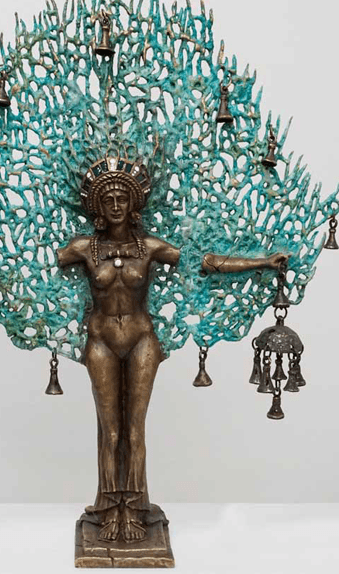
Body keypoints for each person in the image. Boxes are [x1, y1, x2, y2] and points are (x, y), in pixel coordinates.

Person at [57, 155, 286, 543]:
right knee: (110, 431)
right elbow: (29, 270)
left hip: (142, 339)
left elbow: (204, 262)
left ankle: (135, 508)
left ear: (134, 204)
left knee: (135, 429)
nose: (116, 205)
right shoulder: (83, 248)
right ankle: (109, 508)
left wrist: (262, 262)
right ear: (97, 207)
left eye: (122, 199)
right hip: (100, 341)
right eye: (108, 199)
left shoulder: (148, 247)